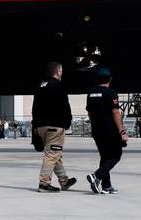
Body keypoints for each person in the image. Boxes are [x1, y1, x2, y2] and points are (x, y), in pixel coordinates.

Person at [31, 61, 78, 193]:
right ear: (58, 72)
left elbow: (34, 108)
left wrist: (35, 126)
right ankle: (44, 184)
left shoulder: (40, 85)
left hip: (40, 127)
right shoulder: (58, 85)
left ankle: (64, 181)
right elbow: (65, 107)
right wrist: (67, 123)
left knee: (55, 153)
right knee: (52, 154)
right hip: (54, 127)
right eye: (61, 72)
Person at [85, 67, 127, 195]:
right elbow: (115, 112)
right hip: (110, 130)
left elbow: (90, 113)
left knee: (104, 157)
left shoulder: (91, 93)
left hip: (97, 131)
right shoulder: (111, 93)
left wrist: (95, 125)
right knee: (115, 156)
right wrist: (122, 131)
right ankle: (96, 175)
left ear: (96, 79)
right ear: (110, 79)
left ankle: (106, 186)